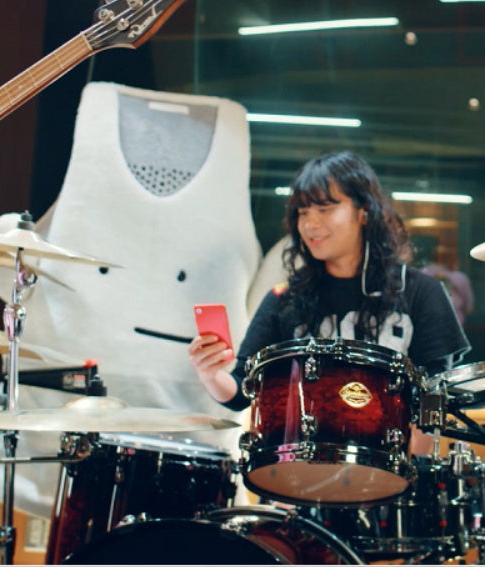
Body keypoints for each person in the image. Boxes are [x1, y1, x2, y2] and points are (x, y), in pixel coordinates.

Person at [189, 150, 470, 434]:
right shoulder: (284, 299)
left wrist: (417, 459)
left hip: (390, 459)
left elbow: (435, 396)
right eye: (303, 212)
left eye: (324, 209)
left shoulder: (421, 292)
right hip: (299, 459)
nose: (310, 224)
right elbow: (241, 391)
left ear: (364, 212)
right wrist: (211, 374)